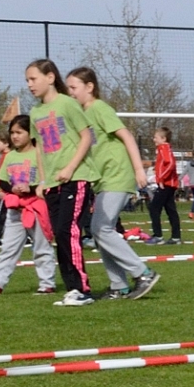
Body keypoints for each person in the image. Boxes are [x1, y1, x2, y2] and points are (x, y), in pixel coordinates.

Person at [66, 66, 160, 300]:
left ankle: (143, 272)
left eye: (73, 87)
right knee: (99, 232)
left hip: (117, 176)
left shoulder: (99, 108)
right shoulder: (82, 114)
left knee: (100, 228)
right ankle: (118, 285)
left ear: (90, 87)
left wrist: (139, 169)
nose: (70, 93)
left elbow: (126, 136)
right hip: (102, 180)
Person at [26, 58, 98, 306]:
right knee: (58, 233)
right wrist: (42, 179)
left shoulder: (67, 104)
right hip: (53, 183)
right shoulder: (35, 113)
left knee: (69, 231)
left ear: (49, 77)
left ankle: (82, 288)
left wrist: (69, 168)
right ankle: (72, 289)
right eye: (27, 80)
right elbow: (39, 149)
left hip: (76, 178)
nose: (30, 85)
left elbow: (86, 137)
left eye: (33, 79)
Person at [0, 115, 58, 295]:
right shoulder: (10, 155)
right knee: (8, 248)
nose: (15, 136)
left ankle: (47, 284)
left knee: (42, 247)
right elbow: (3, 181)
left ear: (31, 133)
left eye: (19, 132)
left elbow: (48, 180)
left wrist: (31, 188)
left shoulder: (40, 153)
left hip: (36, 207)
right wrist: (13, 188)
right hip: (16, 209)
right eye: (12, 133)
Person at [148, 126, 182, 244]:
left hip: (166, 184)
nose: (154, 139)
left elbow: (171, 164)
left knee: (154, 208)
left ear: (163, 138)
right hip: (169, 184)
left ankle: (158, 236)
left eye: (155, 137)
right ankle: (175, 237)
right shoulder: (163, 149)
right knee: (170, 209)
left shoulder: (164, 148)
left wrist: (161, 178)